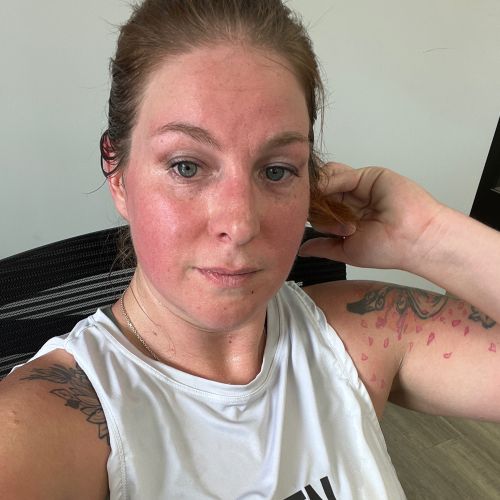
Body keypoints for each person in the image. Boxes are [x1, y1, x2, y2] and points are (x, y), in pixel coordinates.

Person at [1, 1, 499, 498]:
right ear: (117, 174)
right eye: (186, 166)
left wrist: (428, 236)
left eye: (277, 170)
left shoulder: (357, 334)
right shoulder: (46, 422)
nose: (239, 225)